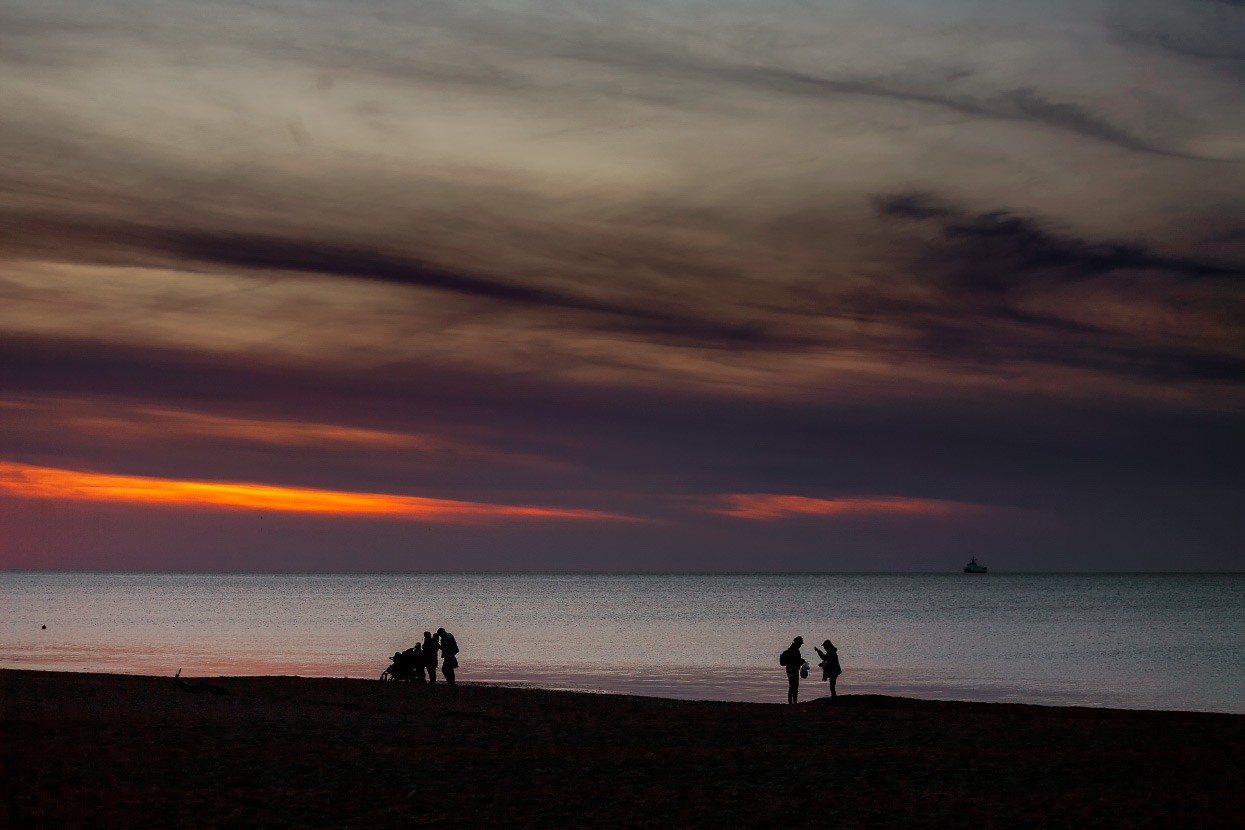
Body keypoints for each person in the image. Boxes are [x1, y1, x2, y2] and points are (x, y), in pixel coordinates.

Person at [780, 636, 804, 704]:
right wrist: (801, 661)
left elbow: (795, 660)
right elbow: (795, 660)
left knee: (793, 686)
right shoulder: (794, 650)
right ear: (798, 643)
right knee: (794, 686)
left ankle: (792, 701)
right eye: (800, 644)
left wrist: (800, 661)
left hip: (791, 669)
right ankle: (792, 702)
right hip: (792, 670)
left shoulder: (792, 649)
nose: (800, 646)